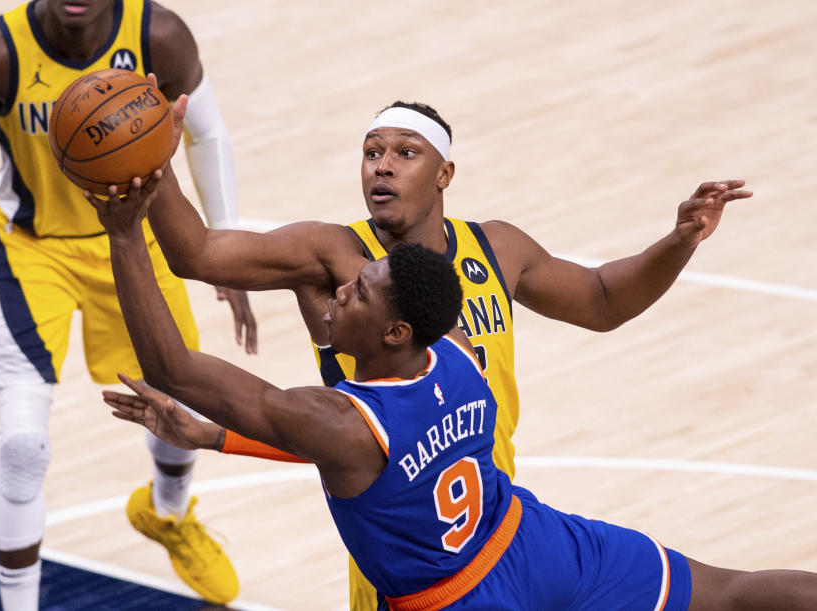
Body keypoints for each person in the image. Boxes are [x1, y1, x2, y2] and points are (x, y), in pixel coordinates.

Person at [91, 94, 753, 609]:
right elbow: (198, 254)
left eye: (404, 151)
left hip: (496, 514)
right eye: (371, 150)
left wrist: (679, 241)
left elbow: (604, 299)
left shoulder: (496, 248)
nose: (381, 163)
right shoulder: (332, 254)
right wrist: (150, 155)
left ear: (445, 172)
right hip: (409, 543)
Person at [0, 1, 255, 607]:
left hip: (135, 237)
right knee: (22, 444)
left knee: (180, 399)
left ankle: (168, 513)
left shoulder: (160, 36)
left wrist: (227, 245)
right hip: (33, 251)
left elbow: (207, 132)